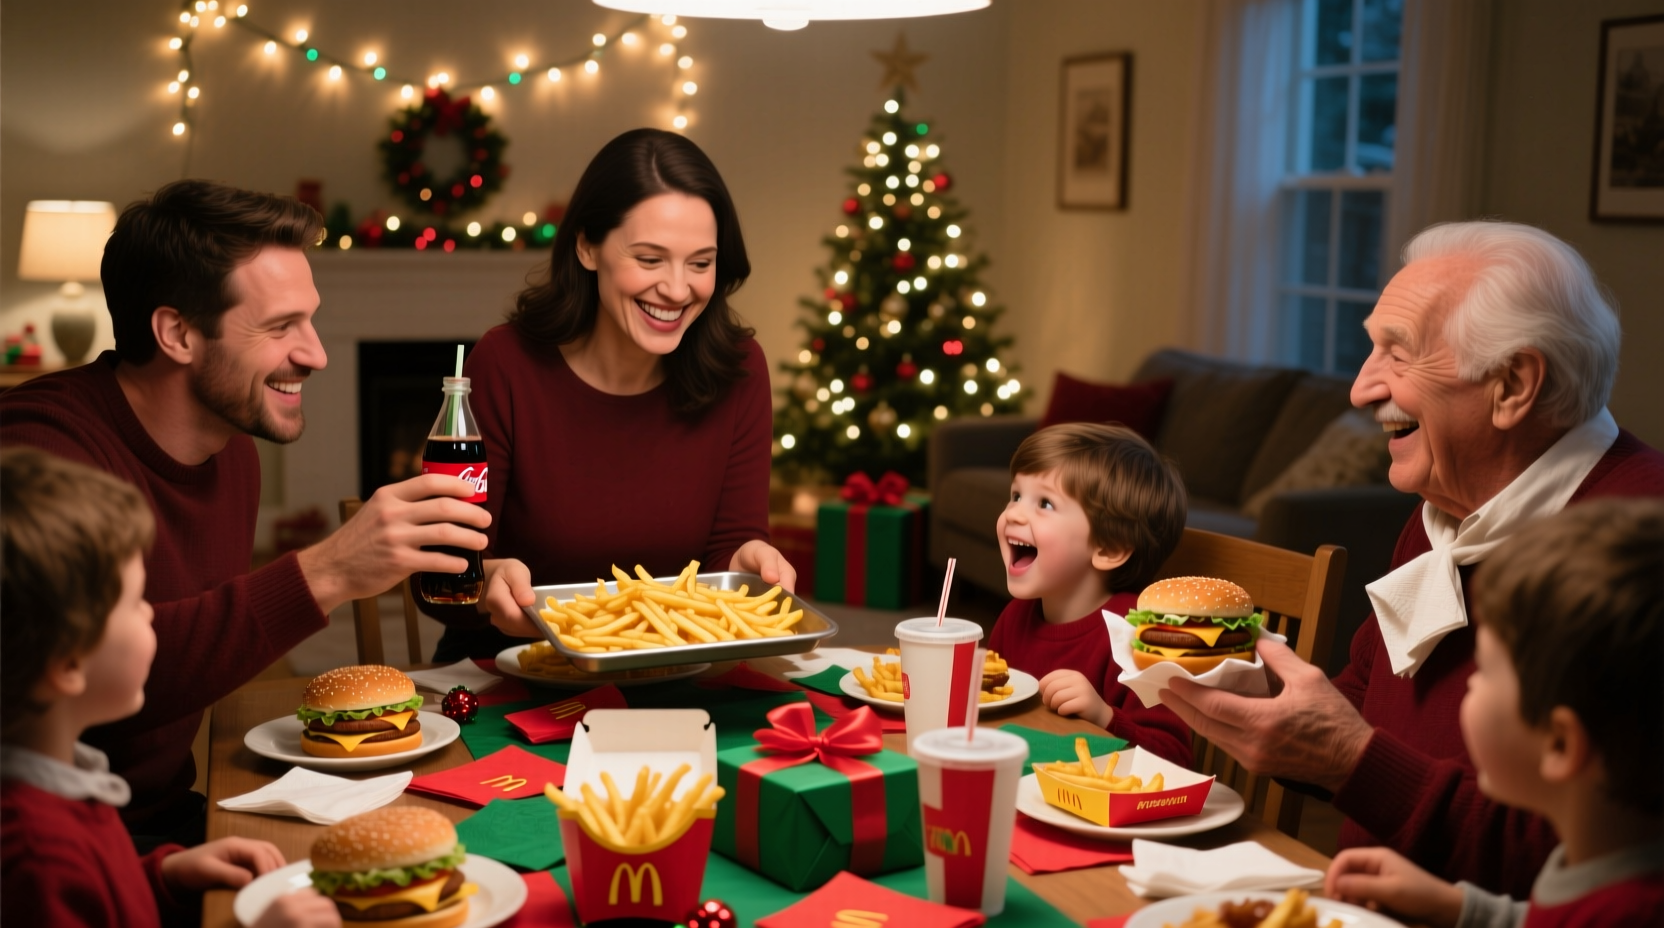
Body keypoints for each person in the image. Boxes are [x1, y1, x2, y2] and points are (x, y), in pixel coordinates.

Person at [1160, 220, 1664, 896]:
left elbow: (1585, 871)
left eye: (1398, 355)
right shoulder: (1443, 513)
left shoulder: (1635, 554)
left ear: (1512, 385)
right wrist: (1260, 698)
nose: (1361, 388)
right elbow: (1366, 707)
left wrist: (1348, 761)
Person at [0, 180, 491, 849]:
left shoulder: (232, 453)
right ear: (176, 332)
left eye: (312, 320)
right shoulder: (39, 452)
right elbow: (72, 673)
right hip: (54, 848)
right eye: (280, 326)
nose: (314, 353)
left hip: (164, 831)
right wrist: (326, 571)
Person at [428, 128, 796, 660]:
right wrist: (485, 580)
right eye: (649, 259)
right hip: (512, 675)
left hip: (680, 674)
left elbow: (729, 550)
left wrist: (750, 560)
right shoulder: (505, 363)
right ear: (586, 246)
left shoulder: (740, 369)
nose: (676, 289)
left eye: (700, 263)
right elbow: (443, 582)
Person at [1, 448, 341, 928]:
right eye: (135, 602)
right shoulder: (39, 856)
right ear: (69, 662)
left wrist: (163, 876)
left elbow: (101, 899)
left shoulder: (66, 784)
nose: (151, 614)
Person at [1324, 498, 1663, 927]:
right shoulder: (1603, 864)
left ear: (1560, 744)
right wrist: (1458, 907)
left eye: (1482, 671)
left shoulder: (1628, 912)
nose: (1467, 684)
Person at [987, 422, 1193, 765]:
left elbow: (1176, 759)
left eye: (1045, 504)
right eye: (1016, 496)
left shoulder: (1142, 639)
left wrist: (1105, 717)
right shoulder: (1015, 617)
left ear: (1109, 548)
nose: (1013, 514)